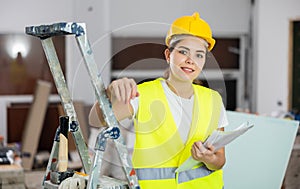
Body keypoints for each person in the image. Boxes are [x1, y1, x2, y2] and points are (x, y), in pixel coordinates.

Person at [89, 12, 228, 189]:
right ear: (168, 55)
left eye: (199, 55)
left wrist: (209, 159)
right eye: (183, 52)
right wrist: (109, 92)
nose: (190, 60)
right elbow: (95, 119)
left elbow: (220, 160)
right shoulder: (143, 95)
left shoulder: (213, 100)